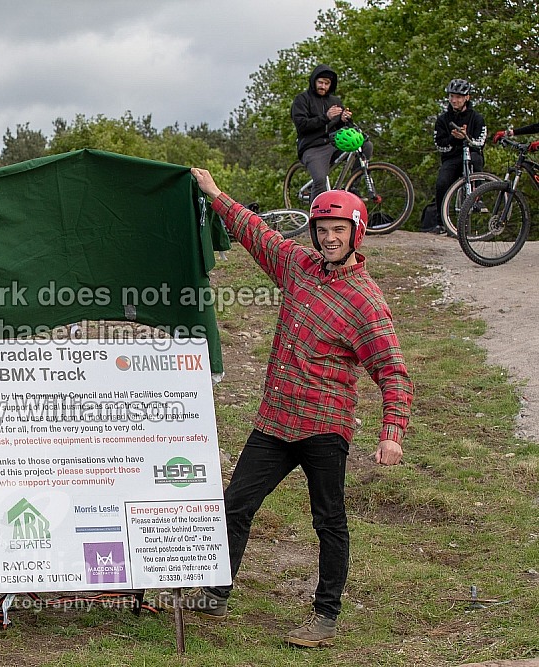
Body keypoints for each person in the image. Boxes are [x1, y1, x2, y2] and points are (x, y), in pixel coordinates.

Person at [160, 169, 413, 648]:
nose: (329, 237)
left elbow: (392, 370)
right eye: (322, 229)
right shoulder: (298, 267)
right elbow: (258, 234)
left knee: (328, 521)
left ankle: (325, 617)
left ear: (356, 233)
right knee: (234, 504)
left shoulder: (366, 300)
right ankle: (215, 590)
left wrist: (391, 432)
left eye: (339, 230)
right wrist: (215, 194)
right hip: (276, 421)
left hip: (324, 426)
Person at [291, 64, 372, 201]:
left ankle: (353, 184)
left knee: (365, 145)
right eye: (320, 82)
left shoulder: (335, 101)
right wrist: (325, 117)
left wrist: (344, 119)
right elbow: (301, 125)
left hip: (333, 143)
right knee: (320, 180)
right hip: (312, 147)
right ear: (314, 81)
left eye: (326, 83)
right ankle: (315, 216)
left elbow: (340, 126)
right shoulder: (302, 99)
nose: (323, 86)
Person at [431, 78, 486, 235]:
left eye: (458, 97)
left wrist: (465, 137)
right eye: (452, 96)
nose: (454, 100)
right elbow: (440, 145)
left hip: (472, 155)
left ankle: (478, 198)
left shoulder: (477, 118)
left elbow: (480, 142)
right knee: (442, 182)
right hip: (452, 158)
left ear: (467, 97)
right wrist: (453, 139)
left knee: (476, 161)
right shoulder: (442, 119)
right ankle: (440, 222)